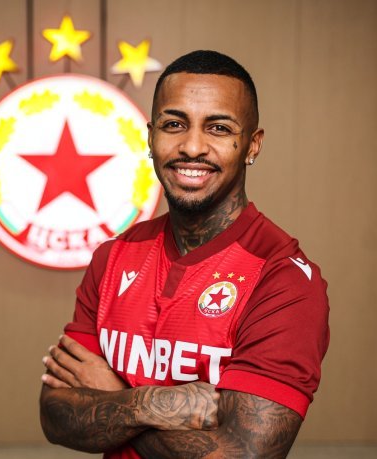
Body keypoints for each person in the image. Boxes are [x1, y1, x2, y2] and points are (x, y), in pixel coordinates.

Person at [39, 50, 330, 459]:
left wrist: (114, 397)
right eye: (174, 124)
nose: (192, 147)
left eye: (219, 128)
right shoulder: (113, 257)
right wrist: (149, 403)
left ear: (252, 145)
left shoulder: (283, 280)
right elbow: (55, 415)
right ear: (150, 137)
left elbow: (245, 454)